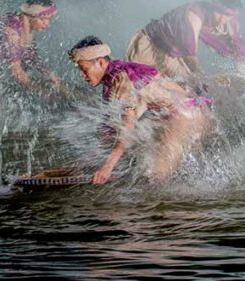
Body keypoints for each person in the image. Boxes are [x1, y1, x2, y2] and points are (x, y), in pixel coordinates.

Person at [68, 36, 211, 184]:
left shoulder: (122, 80)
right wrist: (84, 164)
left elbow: (127, 130)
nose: (82, 76)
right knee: (151, 168)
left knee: (154, 179)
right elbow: (109, 133)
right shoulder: (113, 77)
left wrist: (107, 167)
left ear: (100, 62)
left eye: (84, 69)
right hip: (185, 113)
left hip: (185, 116)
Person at [126, 0, 245, 93]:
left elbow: (244, 53)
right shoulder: (194, 15)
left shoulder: (228, 23)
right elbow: (190, 54)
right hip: (149, 46)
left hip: (174, 56)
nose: (221, 19)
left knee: (190, 95)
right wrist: (203, 78)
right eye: (219, 13)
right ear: (213, 6)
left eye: (227, 15)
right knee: (142, 91)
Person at [0, 0, 62, 90]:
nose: (47, 24)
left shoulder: (26, 26)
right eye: (42, 19)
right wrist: (39, 90)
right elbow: (16, 72)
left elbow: (31, 54)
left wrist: (48, 73)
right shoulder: (13, 33)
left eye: (49, 19)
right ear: (30, 16)